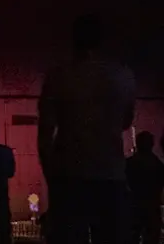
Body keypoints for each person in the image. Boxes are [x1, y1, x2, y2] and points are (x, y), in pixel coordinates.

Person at [39, 14, 137, 244]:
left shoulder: (59, 76)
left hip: (69, 176)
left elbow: (44, 134)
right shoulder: (123, 76)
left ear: (73, 40)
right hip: (110, 175)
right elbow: (125, 122)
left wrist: (52, 179)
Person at [126, 132, 164, 244]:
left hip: (133, 206)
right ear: (152, 144)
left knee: (132, 237)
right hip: (152, 207)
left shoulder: (129, 163)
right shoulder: (158, 165)